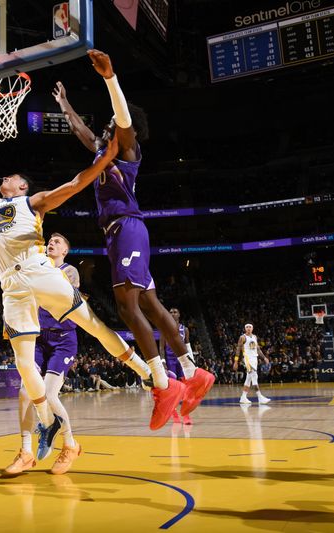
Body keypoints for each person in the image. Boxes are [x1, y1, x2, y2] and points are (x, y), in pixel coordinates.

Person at [0, 122, 179, 446]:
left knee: (92, 324)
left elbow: (75, 184)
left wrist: (103, 160)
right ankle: (47, 423)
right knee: (24, 365)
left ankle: (148, 373)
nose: (5, 178)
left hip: (40, 272)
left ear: (22, 187)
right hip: (11, 287)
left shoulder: (32, 203)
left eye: (12, 177)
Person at [52, 49, 214, 418]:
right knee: (150, 305)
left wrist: (110, 77)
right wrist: (64, 104)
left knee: (127, 306)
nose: (109, 124)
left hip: (126, 227)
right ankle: (192, 372)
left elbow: (122, 117)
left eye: (113, 122)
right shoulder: (103, 151)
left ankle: (163, 383)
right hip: (120, 233)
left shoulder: (128, 147)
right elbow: (81, 132)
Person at [5, 233, 82, 475]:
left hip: (63, 339)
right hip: (38, 338)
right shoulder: (36, 267)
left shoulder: (69, 271)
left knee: (48, 394)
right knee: (24, 392)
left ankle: (70, 445)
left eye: (58, 242)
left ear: (65, 251)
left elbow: (61, 296)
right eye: (50, 240)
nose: (52, 242)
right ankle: (26, 451)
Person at [160, 308, 192, 424]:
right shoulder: (164, 329)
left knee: (185, 388)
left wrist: (191, 362)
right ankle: (174, 414)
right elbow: (161, 348)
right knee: (173, 389)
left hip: (182, 360)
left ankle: (186, 415)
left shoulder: (185, 329)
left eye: (175, 312)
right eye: (171, 312)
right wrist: (163, 362)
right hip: (170, 361)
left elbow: (188, 346)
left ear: (179, 315)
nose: (173, 314)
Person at [234, 324, 271, 405]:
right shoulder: (242, 337)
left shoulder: (254, 337)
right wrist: (236, 361)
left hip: (254, 358)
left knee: (248, 379)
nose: (248, 328)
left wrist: (264, 357)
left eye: (250, 327)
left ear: (252, 328)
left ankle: (243, 397)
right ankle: (260, 397)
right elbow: (238, 349)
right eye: (247, 327)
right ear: (245, 329)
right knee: (254, 376)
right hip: (247, 359)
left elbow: (257, 349)